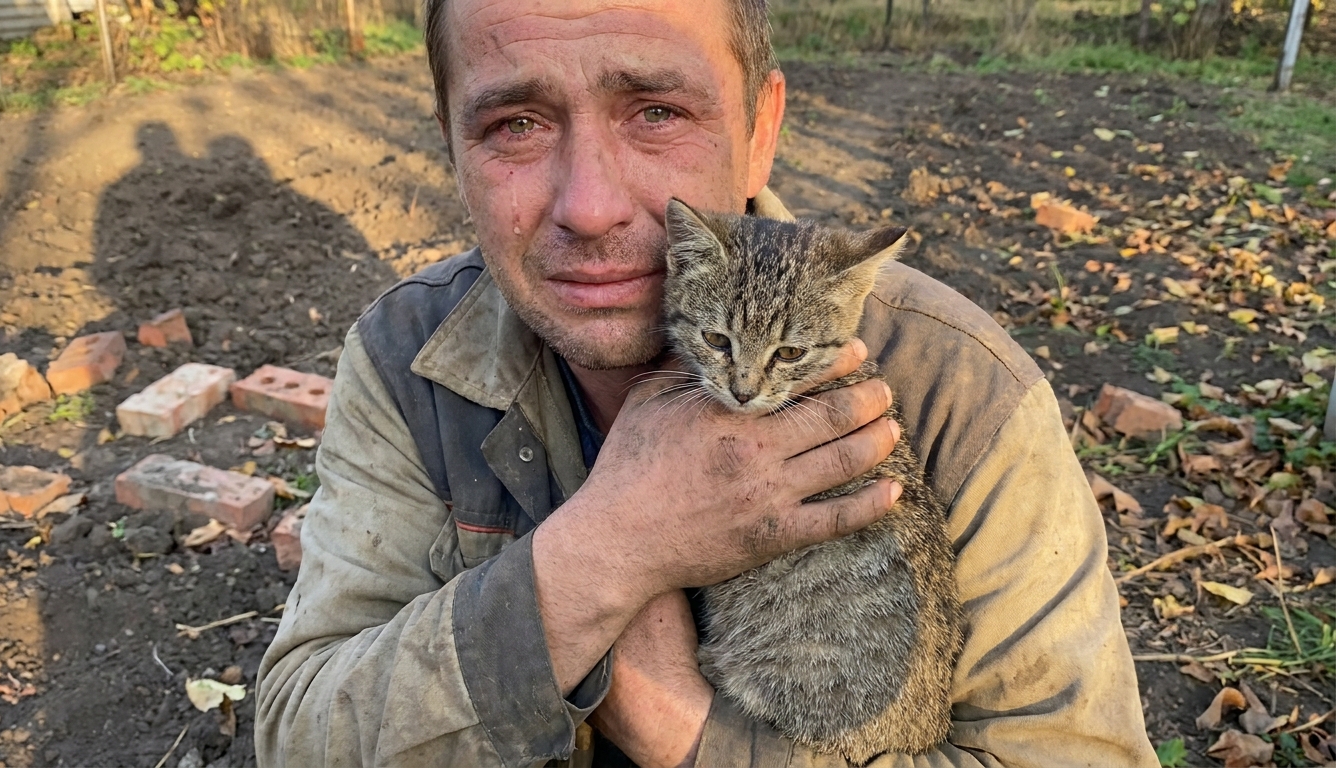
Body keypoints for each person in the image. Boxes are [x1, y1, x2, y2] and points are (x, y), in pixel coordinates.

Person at [255, 0, 1157, 765]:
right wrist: (605, 555)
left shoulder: (962, 385)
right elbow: (296, 731)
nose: (591, 207)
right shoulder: (406, 355)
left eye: (655, 111)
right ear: (452, 147)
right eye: (515, 124)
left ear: (762, 129)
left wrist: (692, 737)